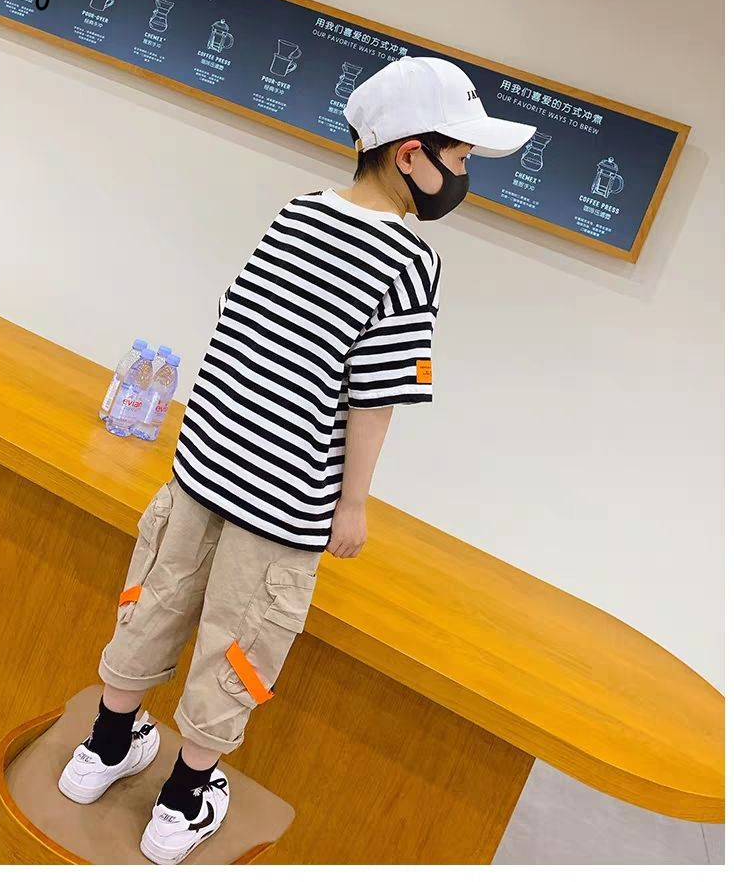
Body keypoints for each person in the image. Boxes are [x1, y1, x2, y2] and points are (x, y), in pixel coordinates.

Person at [57, 55, 536, 864]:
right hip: (284, 497)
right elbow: (372, 398)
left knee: (158, 598)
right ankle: (181, 804)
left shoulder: (298, 212)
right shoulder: (409, 261)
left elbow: (239, 328)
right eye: (459, 156)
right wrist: (353, 503)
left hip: (205, 462)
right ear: (410, 154)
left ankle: (103, 747)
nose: (464, 175)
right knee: (240, 638)